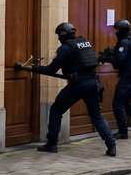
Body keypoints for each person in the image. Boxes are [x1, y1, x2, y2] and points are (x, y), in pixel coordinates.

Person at [31, 22, 116, 156]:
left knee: (56, 109)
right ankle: (111, 145)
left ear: (63, 35)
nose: (58, 38)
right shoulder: (84, 43)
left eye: (59, 35)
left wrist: (35, 68)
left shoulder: (64, 49)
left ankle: (51, 144)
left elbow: (51, 69)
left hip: (77, 85)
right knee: (97, 116)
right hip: (93, 83)